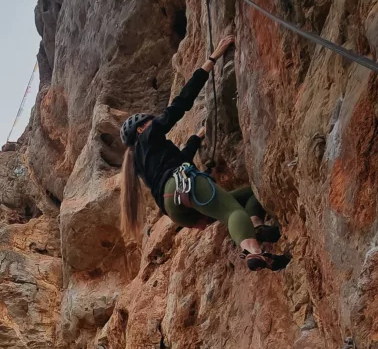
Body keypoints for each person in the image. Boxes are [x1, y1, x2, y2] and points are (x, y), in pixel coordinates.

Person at [120, 36, 290, 271]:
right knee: (231, 211)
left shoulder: (139, 163)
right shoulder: (148, 136)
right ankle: (254, 251)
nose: (153, 122)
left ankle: (256, 226)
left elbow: (179, 159)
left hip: (177, 209)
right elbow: (180, 105)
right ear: (141, 128)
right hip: (183, 183)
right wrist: (211, 60)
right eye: (149, 121)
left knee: (251, 194)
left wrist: (196, 138)